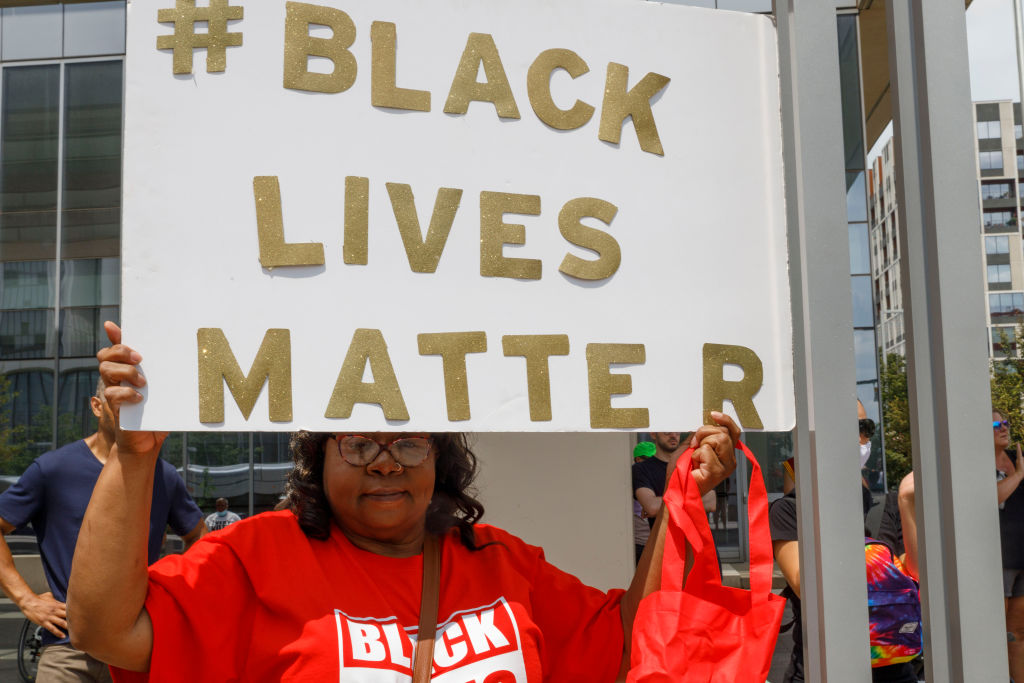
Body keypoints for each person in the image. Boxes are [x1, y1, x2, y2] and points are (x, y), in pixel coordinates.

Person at [67, 323, 740, 680]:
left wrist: (683, 491)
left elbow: (632, 647)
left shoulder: (503, 565)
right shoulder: (255, 556)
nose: (385, 459)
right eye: (358, 440)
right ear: (318, 456)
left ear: (441, 459)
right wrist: (135, 456)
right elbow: (104, 631)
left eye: (409, 441)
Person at [0, 381, 206, 682]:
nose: (131, 414)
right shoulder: (53, 469)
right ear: (97, 406)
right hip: (67, 650)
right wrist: (26, 599)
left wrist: (174, 602)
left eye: (139, 405)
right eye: (121, 403)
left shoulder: (162, 475)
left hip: (135, 648)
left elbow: (199, 538)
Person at [770, 399, 917, 683]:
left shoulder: (873, 502)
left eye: (866, 427)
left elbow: (914, 575)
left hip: (893, 664)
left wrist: (906, 504)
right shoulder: (789, 510)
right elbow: (804, 585)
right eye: (853, 427)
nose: (862, 436)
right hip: (823, 666)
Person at [904, 410, 1024, 682]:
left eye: (1006, 423)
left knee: (1018, 631)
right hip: (994, 560)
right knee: (993, 631)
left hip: (1020, 557)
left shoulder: (1017, 459)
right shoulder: (975, 464)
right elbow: (985, 499)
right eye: (996, 423)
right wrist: (1018, 477)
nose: (1003, 427)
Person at [633, 432, 716, 531]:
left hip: (697, 541)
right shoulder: (641, 468)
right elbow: (652, 507)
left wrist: (664, 505)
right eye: (667, 431)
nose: (673, 435)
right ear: (653, 434)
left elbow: (711, 502)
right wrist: (694, 500)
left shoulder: (692, 464)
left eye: (677, 431)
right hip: (664, 542)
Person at [632, 441, 656, 564]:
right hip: (639, 543)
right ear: (638, 459)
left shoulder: (656, 475)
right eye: (648, 459)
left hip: (655, 542)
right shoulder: (632, 477)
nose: (652, 463)